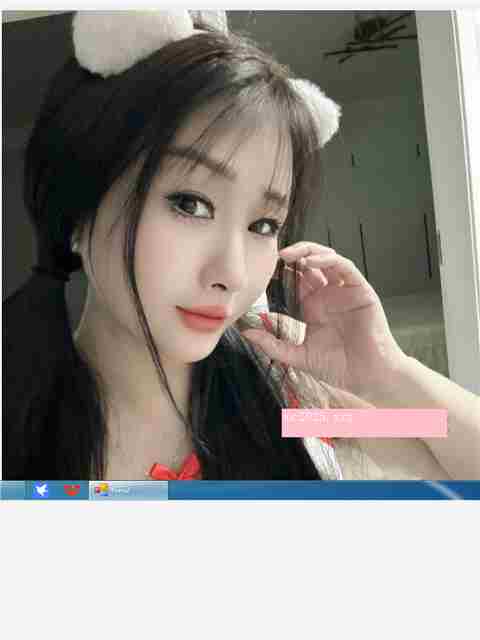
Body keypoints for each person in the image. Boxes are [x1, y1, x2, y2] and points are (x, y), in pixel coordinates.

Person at [3, 11, 479, 481]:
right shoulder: (23, 437)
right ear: (80, 208)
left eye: (264, 224)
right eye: (190, 204)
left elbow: (449, 457)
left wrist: (386, 369)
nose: (231, 274)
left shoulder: (287, 399)